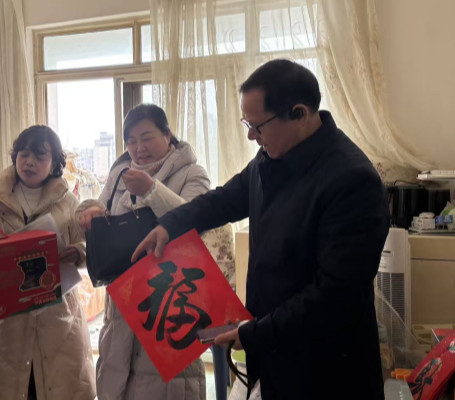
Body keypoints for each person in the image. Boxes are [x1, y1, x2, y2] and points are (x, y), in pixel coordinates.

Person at [134, 60, 390, 400]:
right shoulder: (271, 157)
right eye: (247, 124)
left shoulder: (351, 180)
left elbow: (334, 296)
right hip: (275, 355)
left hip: (327, 369)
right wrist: (170, 224)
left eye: (258, 126)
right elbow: (224, 200)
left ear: (299, 114)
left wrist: (255, 333)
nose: (251, 136)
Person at [77, 103, 211, 400]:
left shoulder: (193, 173)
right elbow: (102, 208)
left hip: (169, 300)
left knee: (166, 385)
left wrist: (151, 190)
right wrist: (92, 212)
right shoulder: (119, 174)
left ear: (168, 135)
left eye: (147, 137)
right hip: (122, 298)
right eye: (131, 141)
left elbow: (196, 224)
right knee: (117, 379)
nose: (139, 148)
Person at [0, 125, 96, 400]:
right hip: (6, 320)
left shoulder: (67, 200)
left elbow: (87, 245)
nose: (29, 162)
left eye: (40, 157)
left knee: (58, 387)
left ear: (54, 164)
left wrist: (77, 252)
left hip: (57, 318)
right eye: (24, 154)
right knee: (9, 388)